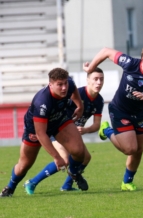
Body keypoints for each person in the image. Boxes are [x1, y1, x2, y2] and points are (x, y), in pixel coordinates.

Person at [83, 45, 143, 191]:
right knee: (130, 149)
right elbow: (106, 52)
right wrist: (91, 68)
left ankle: (127, 182)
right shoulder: (130, 63)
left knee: (139, 149)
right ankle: (107, 130)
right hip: (120, 110)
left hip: (139, 113)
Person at [0, 68, 87, 197]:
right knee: (24, 165)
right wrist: (57, 158)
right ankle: (10, 187)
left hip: (59, 120)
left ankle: (74, 173)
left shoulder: (69, 84)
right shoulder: (42, 102)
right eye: (59, 85)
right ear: (50, 85)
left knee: (79, 151)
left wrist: (80, 106)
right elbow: (41, 134)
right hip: (36, 129)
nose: (64, 88)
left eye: (65, 83)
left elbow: (73, 88)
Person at [23, 68, 105, 194]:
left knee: (86, 157)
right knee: (65, 159)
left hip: (71, 131)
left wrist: (85, 129)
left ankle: (67, 184)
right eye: (95, 79)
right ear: (87, 80)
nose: (98, 82)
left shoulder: (99, 100)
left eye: (101, 79)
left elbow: (97, 125)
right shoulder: (75, 92)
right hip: (58, 128)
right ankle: (32, 182)